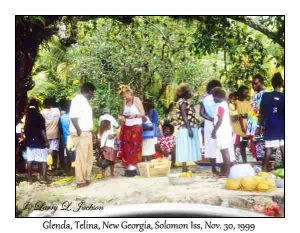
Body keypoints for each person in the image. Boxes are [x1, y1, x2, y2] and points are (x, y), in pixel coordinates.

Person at [69, 82, 96, 188]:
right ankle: (80, 181)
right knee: (81, 157)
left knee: (89, 157)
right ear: (90, 91)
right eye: (92, 93)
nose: (92, 95)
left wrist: (91, 132)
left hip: (87, 132)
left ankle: (86, 178)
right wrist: (79, 131)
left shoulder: (84, 101)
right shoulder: (78, 100)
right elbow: (73, 117)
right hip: (81, 132)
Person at [258, 73, 284, 172]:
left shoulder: (266, 96)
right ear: (281, 84)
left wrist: (259, 126)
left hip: (270, 125)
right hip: (282, 126)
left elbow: (262, 113)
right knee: (283, 149)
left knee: (268, 150)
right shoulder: (285, 96)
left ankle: (263, 173)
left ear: (272, 84)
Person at [118, 85, 145, 177]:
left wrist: (135, 115)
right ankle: (129, 168)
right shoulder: (125, 101)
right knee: (126, 147)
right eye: (123, 97)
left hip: (136, 126)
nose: (125, 98)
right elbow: (124, 113)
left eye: (126, 95)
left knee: (135, 147)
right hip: (127, 126)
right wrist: (121, 117)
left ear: (130, 93)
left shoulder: (136, 100)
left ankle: (135, 168)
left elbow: (143, 113)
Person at [176, 83, 201, 172]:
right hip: (185, 128)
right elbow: (184, 117)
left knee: (186, 147)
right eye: (190, 91)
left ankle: (185, 167)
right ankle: (184, 168)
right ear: (185, 92)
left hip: (186, 127)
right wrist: (189, 129)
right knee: (185, 148)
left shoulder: (183, 102)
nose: (191, 92)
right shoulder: (183, 103)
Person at [211, 87, 235, 177]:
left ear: (217, 96)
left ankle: (227, 172)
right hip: (226, 130)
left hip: (222, 131)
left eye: (214, 97)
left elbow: (220, 120)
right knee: (224, 151)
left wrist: (214, 131)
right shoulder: (226, 104)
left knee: (225, 151)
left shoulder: (221, 106)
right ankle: (224, 171)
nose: (213, 99)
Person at [24, 99, 49, 184]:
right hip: (40, 141)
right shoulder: (39, 116)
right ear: (37, 107)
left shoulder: (27, 116)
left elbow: (25, 130)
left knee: (30, 160)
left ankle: (29, 179)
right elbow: (42, 130)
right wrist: (46, 141)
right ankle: (44, 178)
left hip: (30, 142)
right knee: (43, 160)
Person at [200, 80, 222, 174]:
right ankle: (222, 166)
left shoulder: (204, 100)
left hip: (209, 124)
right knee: (221, 144)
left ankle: (213, 168)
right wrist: (215, 119)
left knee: (210, 145)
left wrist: (210, 118)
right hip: (220, 123)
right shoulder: (220, 98)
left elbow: (201, 113)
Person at [247, 75, 267, 161]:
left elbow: (261, 111)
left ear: (261, 83)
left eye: (256, 83)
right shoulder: (257, 95)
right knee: (258, 148)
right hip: (256, 126)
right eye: (253, 84)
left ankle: (262, 169)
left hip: (259, 126)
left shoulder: (264, 94)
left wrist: (259, 126)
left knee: (260, 148)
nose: (254, 86)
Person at [41, 98, 61, 170]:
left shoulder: (42, 112)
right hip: (55, 133)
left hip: (46, 134)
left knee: (47, 150)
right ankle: (52, 165)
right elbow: (59, 120)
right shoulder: (57, 110)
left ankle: (47, 165)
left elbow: (41, 122)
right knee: (54, 150)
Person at [232, 86, 251, 163]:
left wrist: (241, 115)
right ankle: (233, 161)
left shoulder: (248, 103)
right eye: (245, 92)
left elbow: (249, 115)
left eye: (247, 92)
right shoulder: (235, 102)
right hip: (236, 127)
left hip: (245, 127)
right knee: (234, 145)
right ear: (240, 93)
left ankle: (245, 162)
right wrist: (242, 115)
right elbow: (234, 115)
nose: (247, 94)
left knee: (243, 145)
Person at [59, 99, 73, 174]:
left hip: (66, 139)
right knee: (75, 155)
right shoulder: (74, 117)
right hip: (74, 138)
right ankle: (74, 170)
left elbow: (60, 129)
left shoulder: (62, 118)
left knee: (67, 154)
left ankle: (67, 170)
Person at [228, 92, 240, 159]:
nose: (234, 101)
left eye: (235, 99)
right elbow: (232, 117)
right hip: (231, 127)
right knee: (232, 143)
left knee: (236, 143)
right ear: (230, 99)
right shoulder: (229, 106)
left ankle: (234, 156)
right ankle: (232, 157)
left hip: (237, 127)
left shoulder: (236, 106)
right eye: (233, 99)